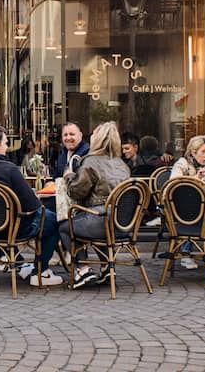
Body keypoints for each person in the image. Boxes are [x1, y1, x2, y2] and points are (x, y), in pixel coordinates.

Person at [0, 127, 63, 287]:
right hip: (16, 229)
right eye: (5, 143)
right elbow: (33, 205)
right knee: (55, 220)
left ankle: (19, 263)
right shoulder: (9, 169)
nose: (7, 147)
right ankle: (41, 272)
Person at [57, 121, 130, 288]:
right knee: (92, 224)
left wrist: (68, 176)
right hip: (123, 224)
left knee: (64, 226)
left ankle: (82, 269)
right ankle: (106, 267)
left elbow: (76, 192)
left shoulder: (91, 162)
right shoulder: (122, 164)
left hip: (101, 220)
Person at [169, 135, 205, 269]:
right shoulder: (182, 163)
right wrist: (196, 178)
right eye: (203, 152)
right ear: (193, 152)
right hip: (180, 207)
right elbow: (173, 185)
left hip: (202, 203)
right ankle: (186, 253)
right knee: (197, 209)